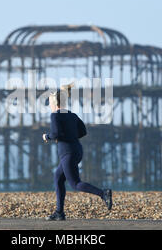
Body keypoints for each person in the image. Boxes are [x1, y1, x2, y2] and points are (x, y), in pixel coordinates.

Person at [42, 83, 112, 221]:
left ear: (55, 103)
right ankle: (59, 213)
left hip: (67, 152)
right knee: (58, 177)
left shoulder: (55, 115)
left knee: (75, 184)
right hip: (77, 150)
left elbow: (56, 133)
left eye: (50, 103)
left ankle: (103, 193)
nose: (50, 106)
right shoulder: (72, 115)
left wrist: (47, 137)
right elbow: (83, 131)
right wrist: (69, 137)